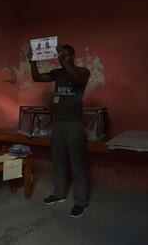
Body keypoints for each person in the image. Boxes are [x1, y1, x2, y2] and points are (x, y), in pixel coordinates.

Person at [28, 44, 90, 218]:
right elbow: (37, 77)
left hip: (73, 124)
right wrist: (32, 61)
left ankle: (81, 202)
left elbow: (77, 81)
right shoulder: (57, 73)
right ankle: (59, 193)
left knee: (77, 162)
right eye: (61, 55)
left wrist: (63, 60)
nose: (63, 57)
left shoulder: (83, 71)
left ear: (72, 56)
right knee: (58, 160)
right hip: (57, 123)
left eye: (66, 55)